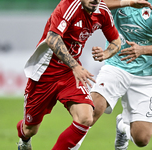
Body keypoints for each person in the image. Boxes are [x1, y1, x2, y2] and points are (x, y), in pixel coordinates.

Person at [16, 0, 122, 149]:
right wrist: (75, 66)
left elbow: (116, 41)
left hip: (69, 73)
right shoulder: (68, 5)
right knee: (30, 129)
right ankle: (24, 140)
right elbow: (52, 38)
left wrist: (106, 53)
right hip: (44, 72)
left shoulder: (102, 11)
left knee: (85, 117)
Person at [73, 0, 152, 149]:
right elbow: (94, 5)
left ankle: (122, 127)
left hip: (146, 74)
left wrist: (142, 50)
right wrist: (128, 3)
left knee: (141, 139)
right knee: (91, 112)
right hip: (116, 66)